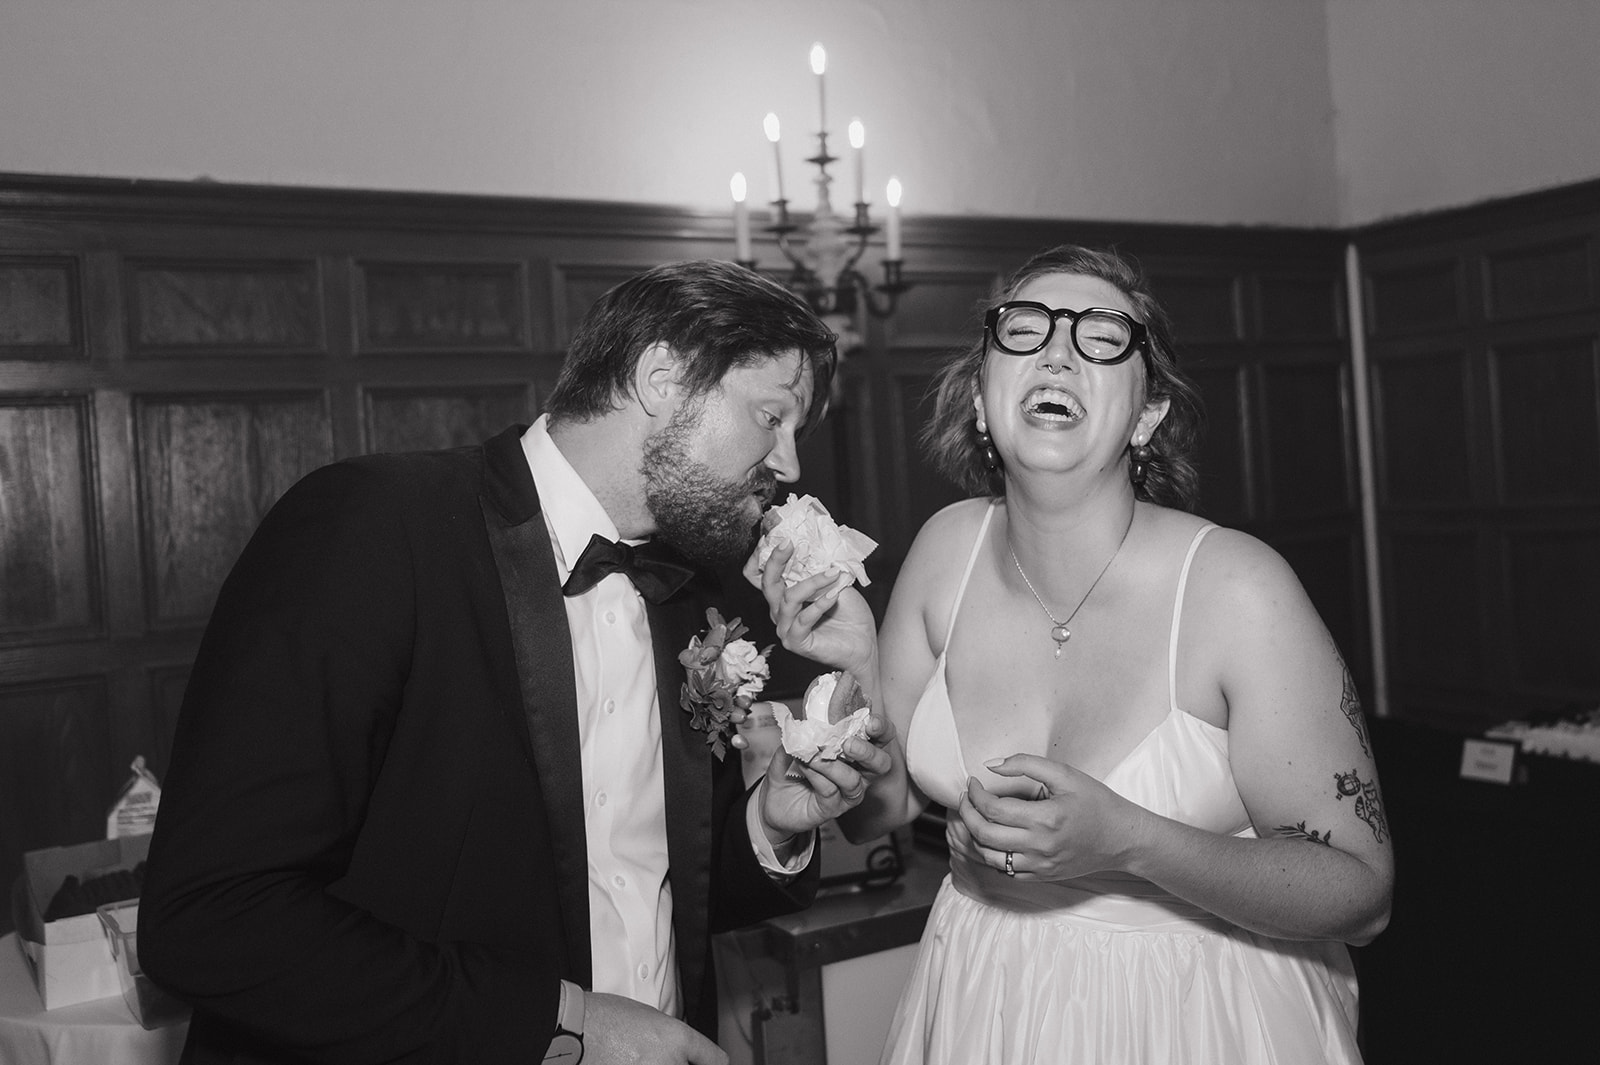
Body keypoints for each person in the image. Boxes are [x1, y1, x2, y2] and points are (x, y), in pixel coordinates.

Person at [138, 259, 893, 1065]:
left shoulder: (689, 594)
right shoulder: (374, 528)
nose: (791, 465)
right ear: (662, 378)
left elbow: (644, 879)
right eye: (771, 416)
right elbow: (211, 916)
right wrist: (560, 1025)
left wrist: (769, 826)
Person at [753, 245, 1394, 1064]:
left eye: (1101, 337)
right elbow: (886, 811)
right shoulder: (946, 549)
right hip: (986, 996)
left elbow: (1362, 893)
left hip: (1197, 1012)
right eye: (1024, 332)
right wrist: (857, 666)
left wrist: (1130, 840)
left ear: (1147, 416)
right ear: (984, 402)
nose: (1057, 352)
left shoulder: (1240, 591)